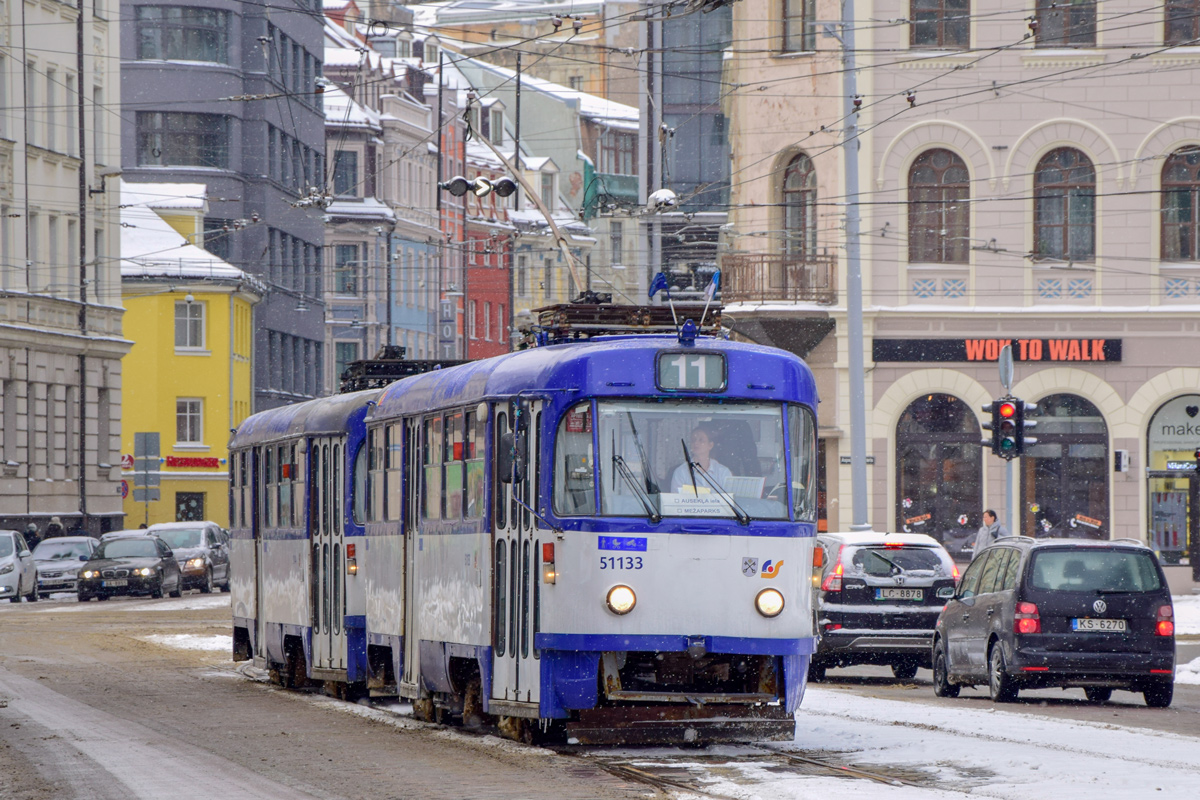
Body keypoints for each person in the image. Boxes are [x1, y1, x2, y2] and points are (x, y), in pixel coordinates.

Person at [670, 427, 733, 494]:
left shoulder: (723, 472)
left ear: (710, 445)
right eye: (693, 440)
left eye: (701, 440)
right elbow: (675, 498)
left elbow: (730, 498)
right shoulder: (681, 472)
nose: (696, 443)